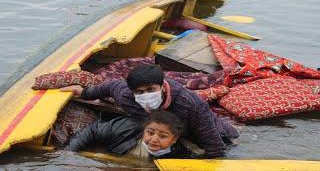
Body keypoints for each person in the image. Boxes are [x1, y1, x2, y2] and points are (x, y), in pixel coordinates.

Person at [61, 64, 239, 158]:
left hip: (199, 134)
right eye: (139, 92)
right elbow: (109, 87)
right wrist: (84, 92)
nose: (145, 95)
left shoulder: (190, 104)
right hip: (155, 128)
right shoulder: (126, 96)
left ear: (162, 86)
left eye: (150, 89)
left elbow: (213, 144)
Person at [64, 110, 202, 159]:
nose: (154, 139)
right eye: (150, 132)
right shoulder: (124, 129)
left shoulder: (183, 154)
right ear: (144, 130)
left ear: (175, 139)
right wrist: (69, 153)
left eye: (163, 136)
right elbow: (93, 130)